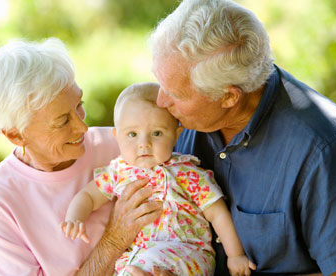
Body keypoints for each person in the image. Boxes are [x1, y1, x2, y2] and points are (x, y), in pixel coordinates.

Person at [144, 0, 336, 275]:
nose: (160, 101)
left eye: (176, 94)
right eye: (161, 83)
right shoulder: (176, 117)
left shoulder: (320, 148)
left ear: (229, 96)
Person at [0, 38, 164, 276]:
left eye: (79, 105)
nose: (82, 127)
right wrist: (114, 240)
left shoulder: (125, 145)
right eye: (63, 121)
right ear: (15, 135)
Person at [60, 82, 255, 276]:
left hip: (187, 253)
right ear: (117, 136)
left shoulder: (188, 172)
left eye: (157, 133)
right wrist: (75, 217)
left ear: (176, 135)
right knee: (132, 269)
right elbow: (89, 196)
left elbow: (217, 213)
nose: (144, 144)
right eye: (132, 134)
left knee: (143, 267)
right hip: (137, 256)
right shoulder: (118, 172)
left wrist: (235, 255)